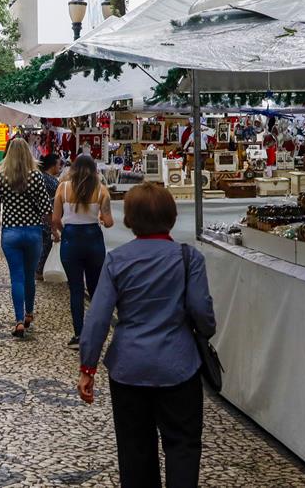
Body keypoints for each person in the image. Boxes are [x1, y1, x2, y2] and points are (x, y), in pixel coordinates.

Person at [78, 183, 216, 487]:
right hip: (178, 365)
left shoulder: (117, 260)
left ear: (129, 219)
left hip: (129, 367)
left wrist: (87, 367)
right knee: (183, 446)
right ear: (172, 216)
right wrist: (206, 330)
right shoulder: (188, 258)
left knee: (135, 449)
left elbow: (98, 318)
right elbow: (201, 311)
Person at [0, 139, 53, 337]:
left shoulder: (2, 177)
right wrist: (54, 229)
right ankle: (29, 313)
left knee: (16, 276)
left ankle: (18, 321)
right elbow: (46, 208)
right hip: (33, 232)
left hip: (11, 233)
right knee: (30, 275)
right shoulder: (36, 177)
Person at [52, 154, 113, 349]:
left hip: (71, 241)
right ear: (94, 170)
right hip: (94, 240)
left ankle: (78, 335)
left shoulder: (63, 188)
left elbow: (55, 219)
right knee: (95, 289)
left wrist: (64, 232)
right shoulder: (101, 190)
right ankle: (95, 334)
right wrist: (101, 218)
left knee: (76, 289)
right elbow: (109, 222)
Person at [36, 153, 62, 281]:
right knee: (47, 242)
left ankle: (38, 269)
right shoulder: (50, 180)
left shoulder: (41, 176)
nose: (60, 167)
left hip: (40, 214)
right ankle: (39, 270)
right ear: (53, 166)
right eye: (58, 164)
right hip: (47, 214)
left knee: (43, 242)